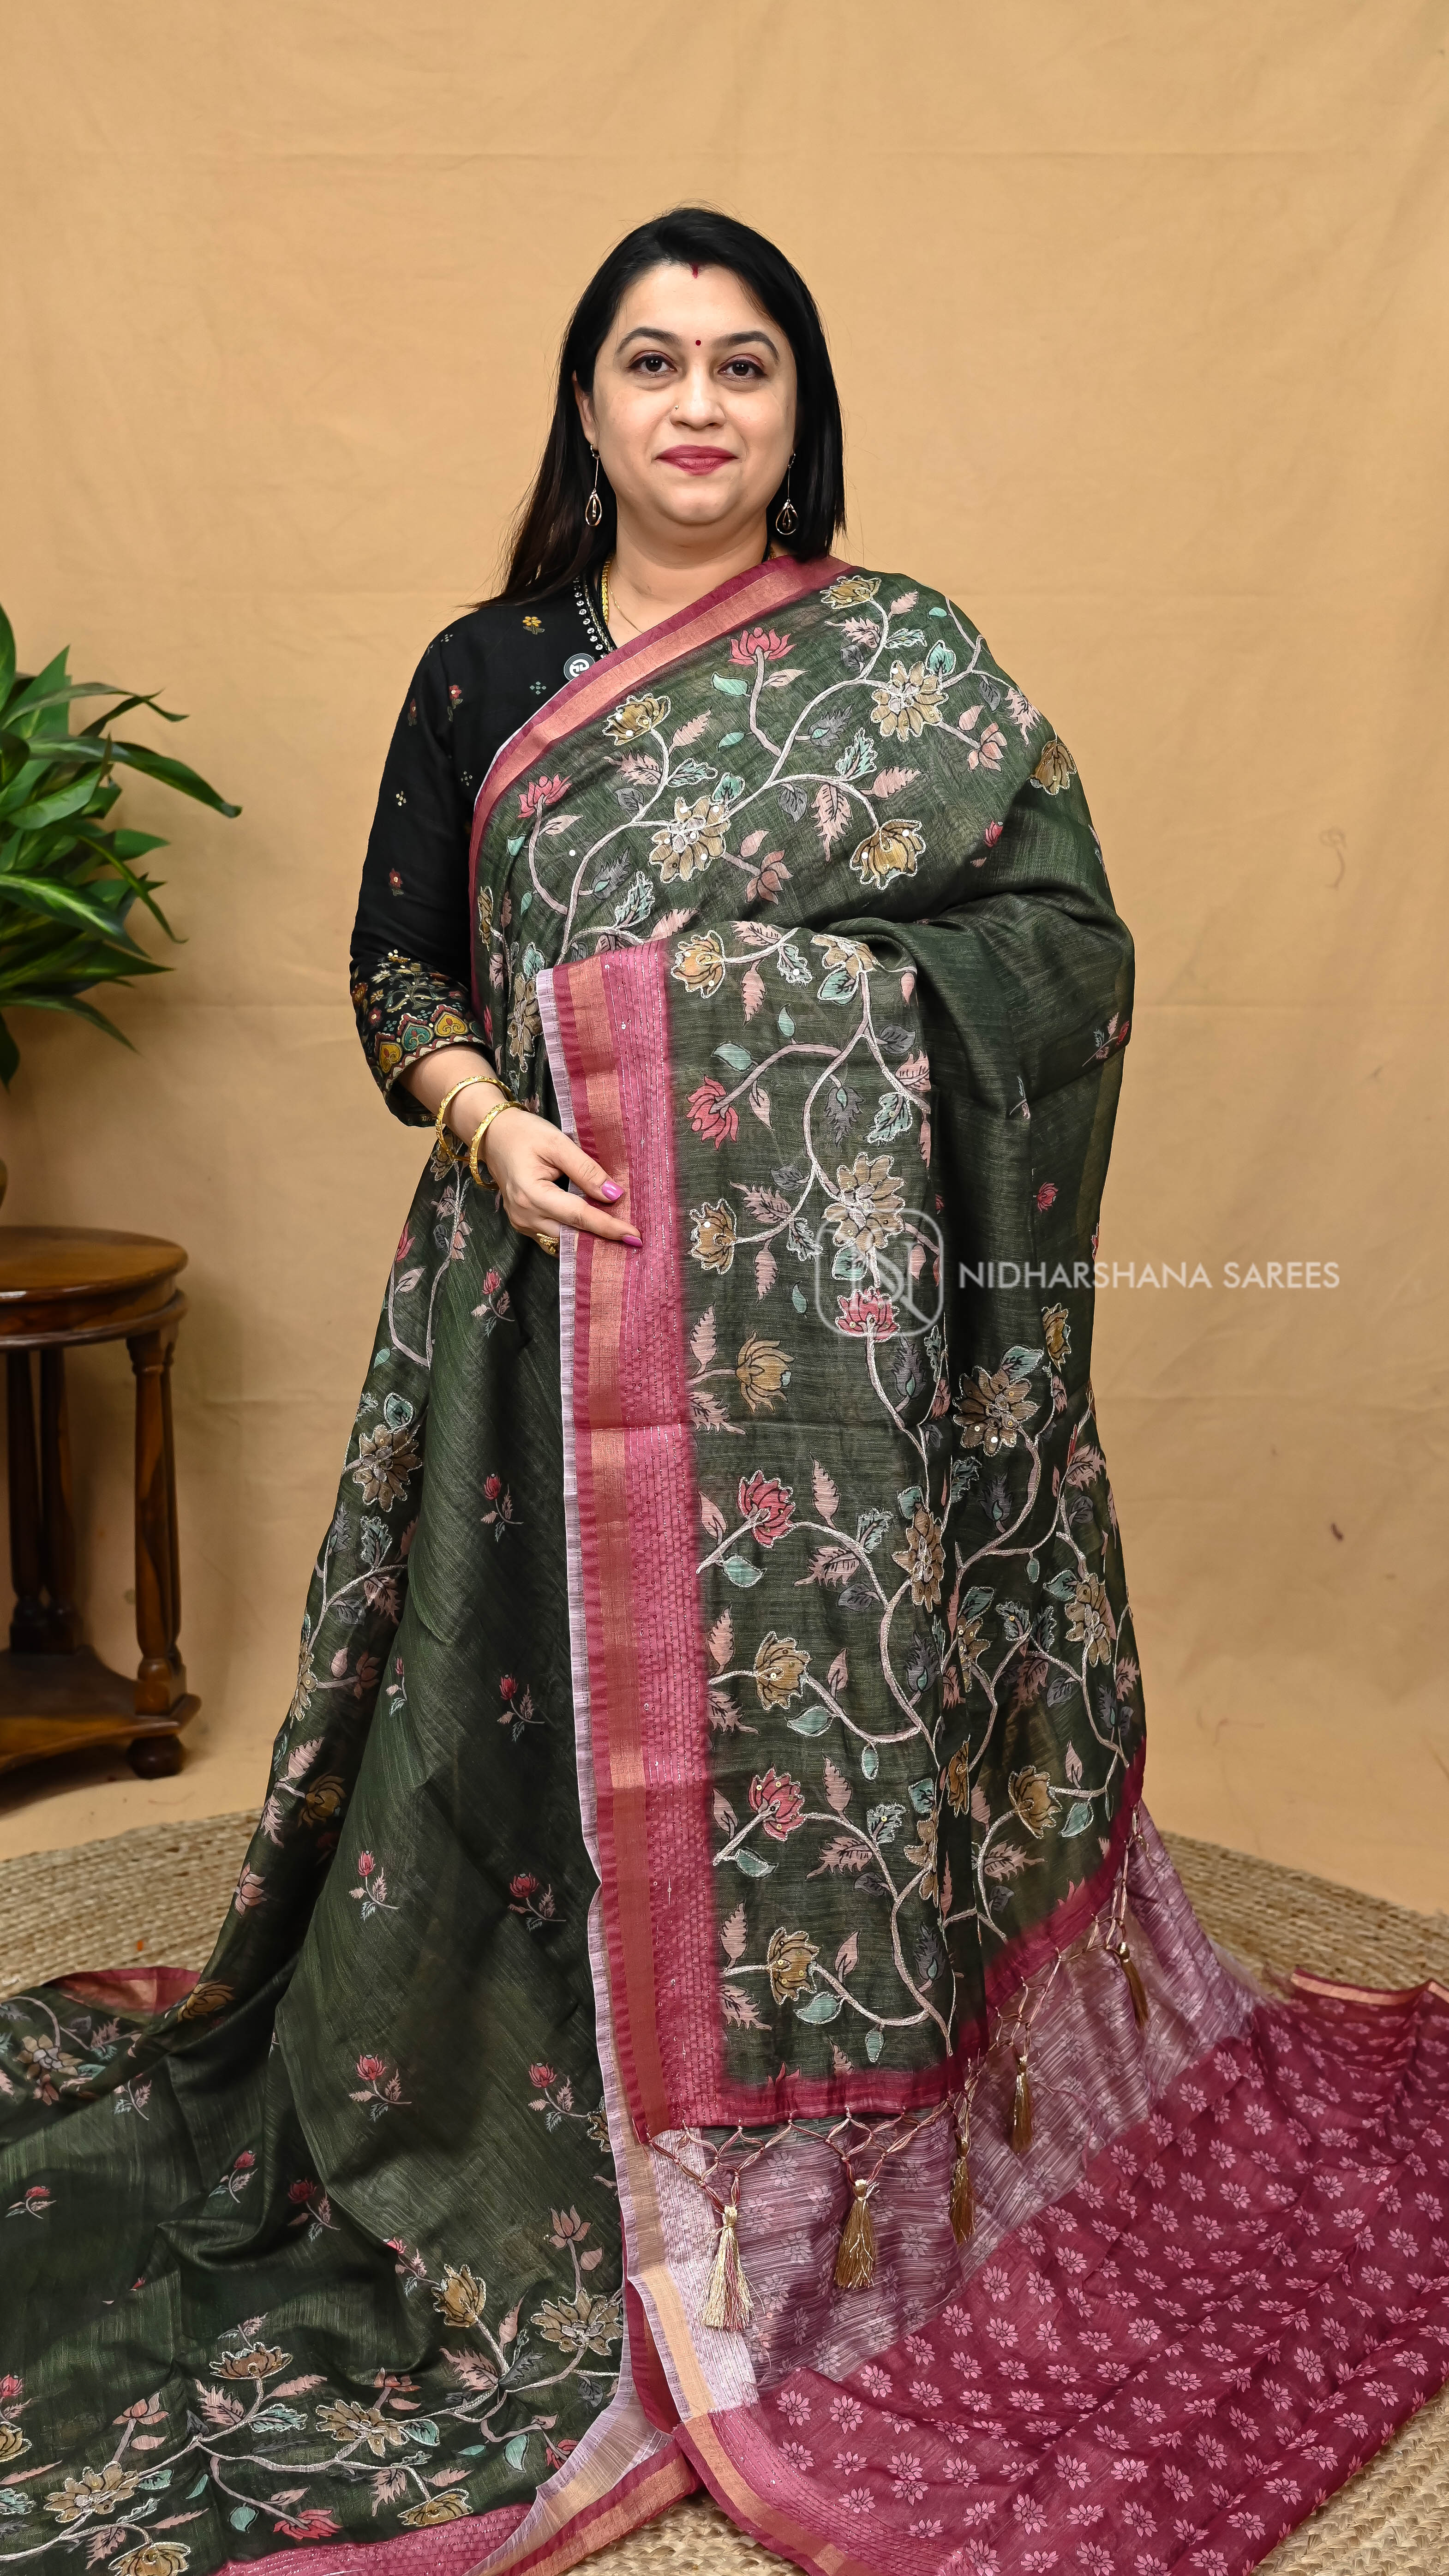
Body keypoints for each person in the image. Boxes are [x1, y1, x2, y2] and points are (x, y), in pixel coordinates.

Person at [2, 208, 1446, 2576]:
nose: (696, 406)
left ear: (799, 407)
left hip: (826, 1368)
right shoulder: (488, 670)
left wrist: (793, 1013)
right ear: (584, 406)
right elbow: (393, 968)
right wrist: (487, 1111)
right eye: (651, 363)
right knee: (504, 1742)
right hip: (536, 1305)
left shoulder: (906, 665)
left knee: (800, 1740)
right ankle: (526, 2099)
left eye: (743, 364)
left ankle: (800, 2150)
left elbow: (1059, 952)